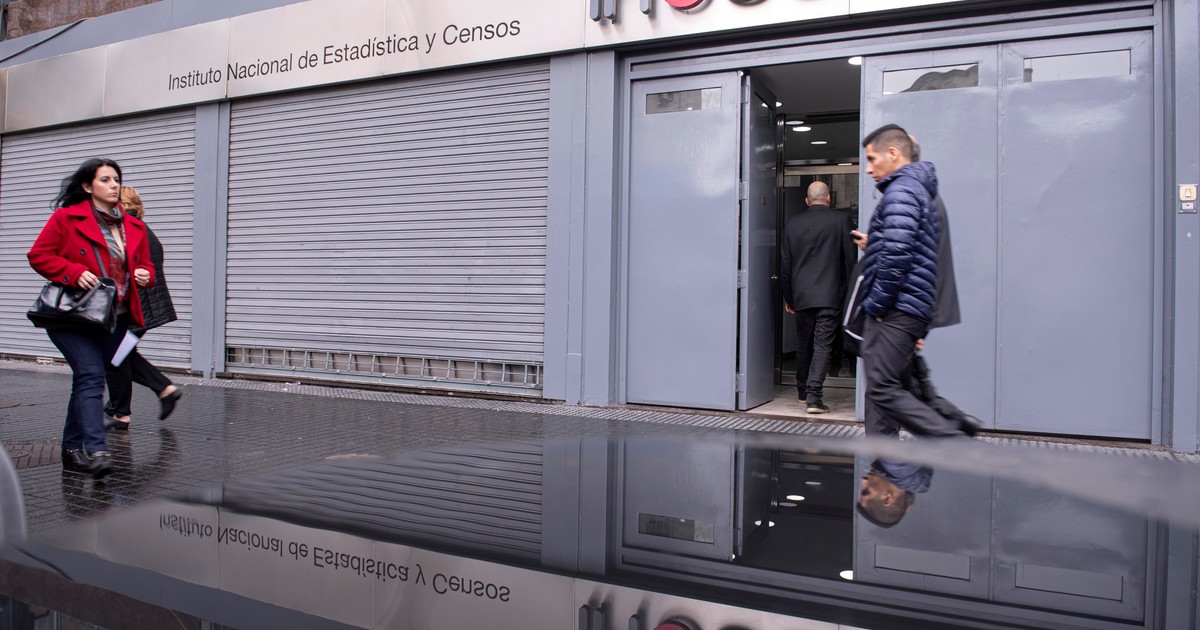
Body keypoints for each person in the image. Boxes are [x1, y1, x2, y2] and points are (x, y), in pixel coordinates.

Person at [27, 158, 155, 479]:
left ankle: (72, 450)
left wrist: (144, 274)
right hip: (73, 317)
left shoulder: (134, 227)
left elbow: (146, 267)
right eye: (105, 180)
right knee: (90, 375)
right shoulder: (66, 218)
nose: (114, 185)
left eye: (116, 179)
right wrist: (72, 272)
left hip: (113, 318)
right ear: (87, 186)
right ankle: (97, 451)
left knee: (87, 380)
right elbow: (39, 255)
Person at [851, 133, 978, 438]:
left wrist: (876, 307)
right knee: (902, 383)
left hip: (898, 309)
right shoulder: (922, 192)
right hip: (910, 308)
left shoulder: (903, 192)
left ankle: (950, 439)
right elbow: (910, 249)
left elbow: (900, 254)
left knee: (882, 388)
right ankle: (953, 424)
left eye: (872, 159)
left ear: (895, 153)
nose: (868, 168)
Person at [103, 186, 182, 431]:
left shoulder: (128, 230)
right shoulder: (142, 229)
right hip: (143, 309)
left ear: (122, 205)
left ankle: (123, 411)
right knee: (121, 354)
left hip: (135, 310)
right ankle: (157, 393)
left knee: (115, 356)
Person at [781, 181, 856, 413]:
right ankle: (814, 398)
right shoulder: (841, 220)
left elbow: (786, 265)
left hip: (802, 296)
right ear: (829, 198)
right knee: (823, 345)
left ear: (807, 201)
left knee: (804, 344)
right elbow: (851, 261)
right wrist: (851, 295)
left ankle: (803, 392)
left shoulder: (793, 224)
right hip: (830, 296)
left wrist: (789, 298)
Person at [857, 458, 931, 527]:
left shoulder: (917, 478)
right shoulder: (895, 463)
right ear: (887, 499)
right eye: (867, 492)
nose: (863, 481)